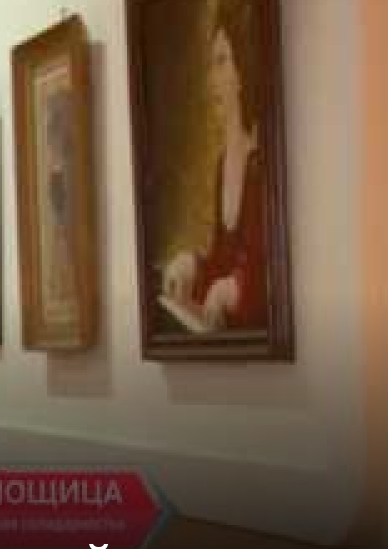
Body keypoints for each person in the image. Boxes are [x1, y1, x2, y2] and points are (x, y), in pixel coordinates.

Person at [161, 0, 268, 332]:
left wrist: (229, 291)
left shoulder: (260, 164)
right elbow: (224, 261)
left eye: (222, 62)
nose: (212, 81)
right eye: (211, 65)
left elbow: (262, 273)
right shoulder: (224, 164)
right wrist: (191, 263)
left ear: (242, 71)